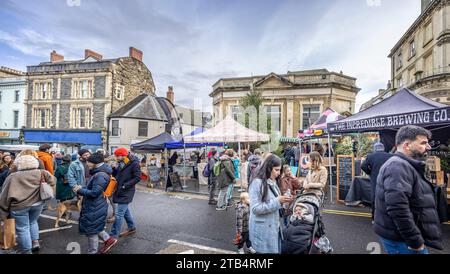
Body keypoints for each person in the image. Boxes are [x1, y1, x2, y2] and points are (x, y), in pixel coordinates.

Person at [374, 125, 443, 254]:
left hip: (402, 238)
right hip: (403, 241)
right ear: (407, 145)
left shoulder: (405, 164)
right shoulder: (397, 166)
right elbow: (397, 208)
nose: (428, 147)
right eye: (423, 143)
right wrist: (414, 241)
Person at [0, 155, 56, 254]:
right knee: (33, 222)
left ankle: (27, 250)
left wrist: (3, 213)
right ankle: (35, 243)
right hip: (38, 203)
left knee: (22, 228)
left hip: (19, 206)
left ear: (18, 164)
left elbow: (4, 196)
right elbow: (52, 181)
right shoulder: (42, 172)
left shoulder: (13, 176)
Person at [73, 152, 117, 254]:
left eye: (88, 162)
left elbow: (94, 193)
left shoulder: (100, 175)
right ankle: (109, 240)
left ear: (94, 162)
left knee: (91, 231)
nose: (87, 164)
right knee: (94, 226)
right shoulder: (99, 172)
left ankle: (92, 251)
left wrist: (79, 190)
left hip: (95, 205)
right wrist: (82, 189)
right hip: (96, 204)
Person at [249, 154, 293, 254]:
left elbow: (275, 203)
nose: (278, 173)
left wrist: (284, 201)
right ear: (268, 168)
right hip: (263, 232)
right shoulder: (257, 183)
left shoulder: (272, 181)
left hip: (274, 228)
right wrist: (278, 201)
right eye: (276, 170)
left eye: (279, 170)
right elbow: (255, 208)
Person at [108, 148, 140, 245]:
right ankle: (131, 227)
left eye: (117, 156)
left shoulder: (134, 163)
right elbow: (117, 174)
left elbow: (137, 177)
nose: (116, 158)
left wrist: (125, 185)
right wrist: (113, 169)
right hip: (120, 189)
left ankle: (113, 236)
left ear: (123, 155)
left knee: (119, 214)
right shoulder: (121, 162)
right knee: (125, 211)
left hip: (127, 190)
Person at [361, 142, 393, 221]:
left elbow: (363, 166)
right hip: (388, 179)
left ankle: (374, 217)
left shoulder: (370, 156)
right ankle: (387, 216)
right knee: (388, 197)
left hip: (375, 179)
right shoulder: (390, 156)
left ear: (374, 148)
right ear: (383, 148)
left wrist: (370, 172)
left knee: (375, 198)